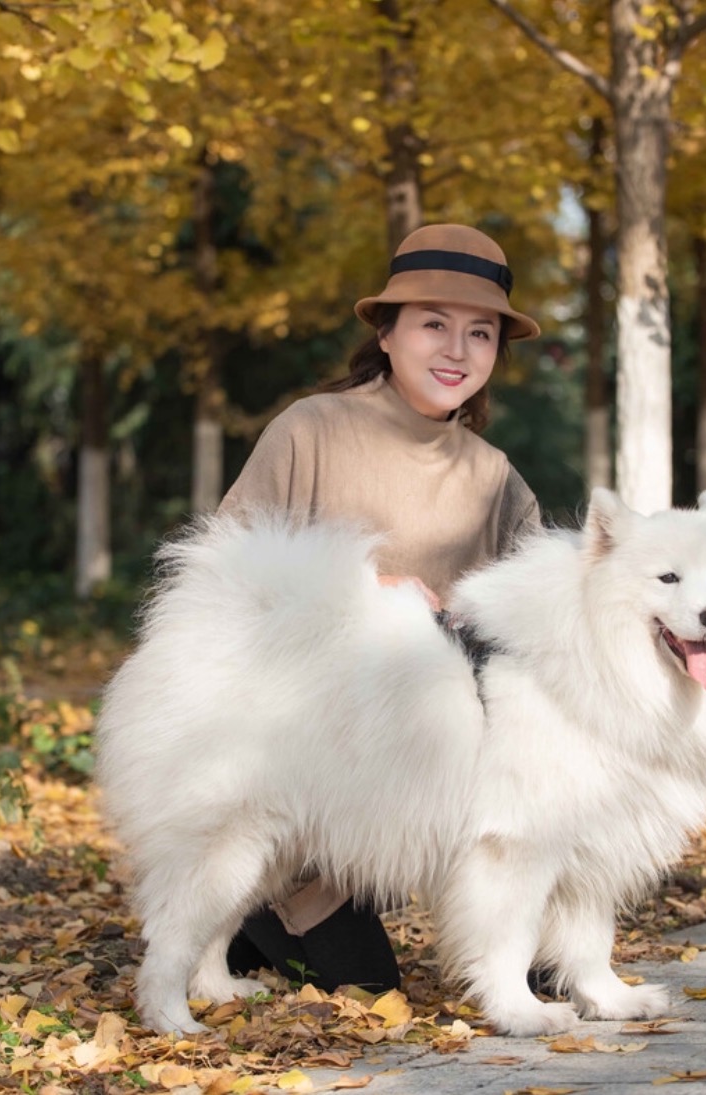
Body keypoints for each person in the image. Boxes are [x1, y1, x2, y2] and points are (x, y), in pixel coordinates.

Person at [217, 222, 544, 995]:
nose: (456, 350)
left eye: (480, 333)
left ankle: (254, 933)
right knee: (374, 992)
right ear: (388, 333)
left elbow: (540, 629)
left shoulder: (497, 480)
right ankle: (262, 898)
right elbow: (219, 580)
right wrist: (361, 595)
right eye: (434, 324)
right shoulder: (310, 432)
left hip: (413, 783)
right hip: (290, 771)